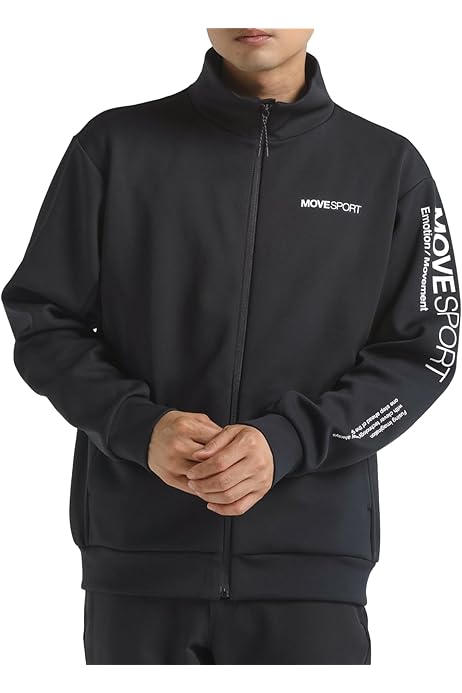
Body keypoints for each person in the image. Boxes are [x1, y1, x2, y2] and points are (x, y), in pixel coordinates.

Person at [2, 27, 459, 665]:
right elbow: (43, 317)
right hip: (139, 567)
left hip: (310, 574)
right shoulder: (114, 146)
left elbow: (427, 349)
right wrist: (136, 425)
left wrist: (291, 440)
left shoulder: (388, 166)